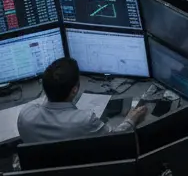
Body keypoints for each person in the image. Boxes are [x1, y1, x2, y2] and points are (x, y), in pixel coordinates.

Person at [17, 58, 147, 142]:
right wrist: (131, 120)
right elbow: (116, 138)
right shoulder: (85, 121)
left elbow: (43, 100)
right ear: (74, 90)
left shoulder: (26, 115)